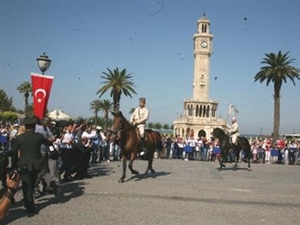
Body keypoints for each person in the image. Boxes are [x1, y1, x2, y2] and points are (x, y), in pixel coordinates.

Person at [11, 116, 50, 215]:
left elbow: (14, 153)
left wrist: (14, 164)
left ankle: (29, 206)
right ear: (34, 126)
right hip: (36, 164)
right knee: (32, 184)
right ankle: (28, 202)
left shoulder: (19, 138)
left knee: (26, 185)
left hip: (24, 164)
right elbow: (47, 143)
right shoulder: (39, 136)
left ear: (25, 126)